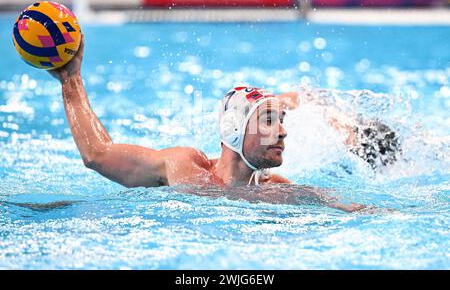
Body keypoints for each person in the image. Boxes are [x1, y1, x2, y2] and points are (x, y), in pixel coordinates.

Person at [48, 35, 371, 212]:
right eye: (269, 120)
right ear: (234, 128)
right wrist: (71, 79)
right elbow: (97, 155)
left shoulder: (279, 191)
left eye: (282, 120)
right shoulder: (182, 167)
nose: (283, 131)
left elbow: (351, 209)